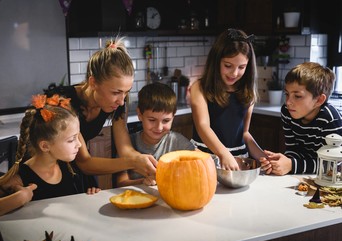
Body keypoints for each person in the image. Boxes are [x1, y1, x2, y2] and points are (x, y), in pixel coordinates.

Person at [0, 94, 100, 225]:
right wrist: (18, 199)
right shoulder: (20, 178)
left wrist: (89, 196)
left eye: (78, 137)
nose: (79, 144)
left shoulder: (70, 167)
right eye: (71, 140)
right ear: (45, 146)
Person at [45, 37, 157, 187]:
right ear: (93, 83)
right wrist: (132, 162)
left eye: (126, 92)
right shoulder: (63, 102)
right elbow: (84, 162)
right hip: (48, 174)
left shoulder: (116, 103)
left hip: (76, 172)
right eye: (116, 92)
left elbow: (125, 149)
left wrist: (144, 161)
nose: (122, 101)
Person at [190, 28, 265, 171]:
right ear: (216, 61)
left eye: (241, 67)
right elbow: (203, 126)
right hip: (204, 158)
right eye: (228, 66)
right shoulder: (199, 88)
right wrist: (223, 153)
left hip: (239, 159)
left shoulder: (248, 92)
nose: (235, 73)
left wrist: (263, 158)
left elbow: (245, 133)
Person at [260, 62, 342, 175]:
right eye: (287, 94)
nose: (288, 102)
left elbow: (333, 165)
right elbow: (293, 149)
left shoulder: (330, 119)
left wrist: (292, 165)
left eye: (297, 96)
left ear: (319, 100)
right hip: (306, 174)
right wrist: (283, 161)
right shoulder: (287, 112)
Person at [116, 82, 195, 187]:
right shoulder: (126, 145)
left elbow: (199, 165)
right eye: (152, 120)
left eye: (166, 120)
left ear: (173, 117)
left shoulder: (178, 142)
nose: (159, 127)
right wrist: (143, 181)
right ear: (140, 114)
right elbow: (121, 183)